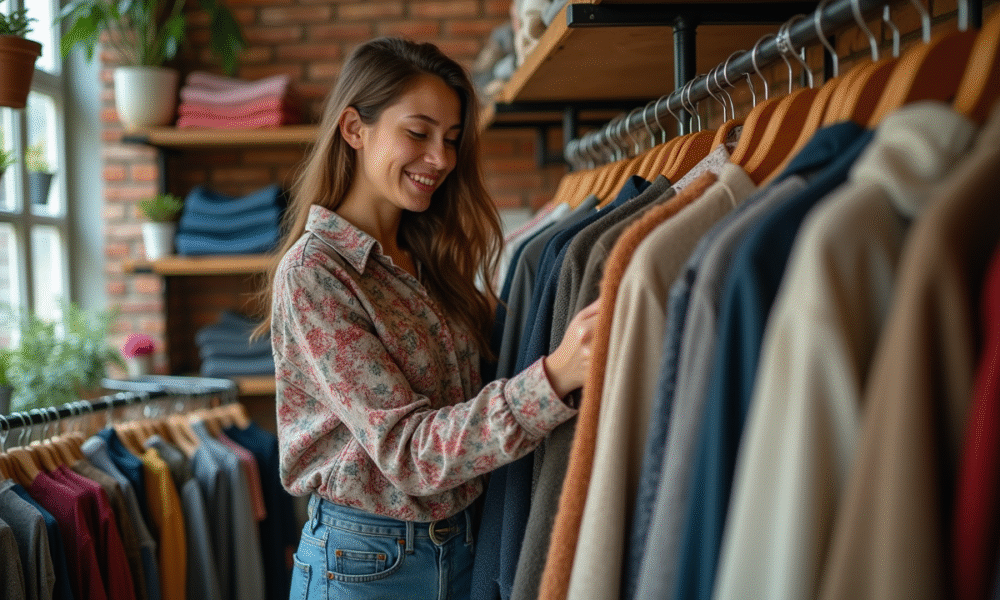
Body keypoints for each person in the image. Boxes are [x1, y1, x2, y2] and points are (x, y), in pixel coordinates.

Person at [254, 37, 600, 600]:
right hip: (364, 564)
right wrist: (557, 376)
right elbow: (411, 454)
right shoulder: (316, 274)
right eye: (418, 133)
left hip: (464, 546)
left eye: (452, 139)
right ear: (353, 129)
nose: (441, 158)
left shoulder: (427, 258)